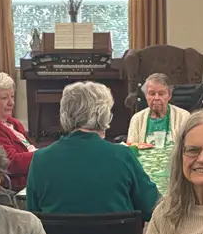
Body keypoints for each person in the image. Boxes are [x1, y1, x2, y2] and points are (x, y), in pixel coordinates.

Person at [26, 81, 159, 220]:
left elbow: (32, 217)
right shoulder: (123, 156)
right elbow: (151, 207)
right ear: (104, 114)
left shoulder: (40, 159)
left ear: (64, 113)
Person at [127, 73, 190, 145]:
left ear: (169, 96)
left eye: (161, 94)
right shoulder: (137, 119)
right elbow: (131, 148)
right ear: (146, 96)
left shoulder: (184, 117)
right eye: (152, 93)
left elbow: (188, 147)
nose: (156, 98)